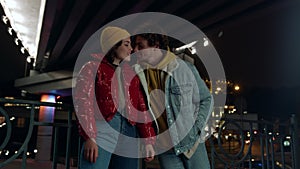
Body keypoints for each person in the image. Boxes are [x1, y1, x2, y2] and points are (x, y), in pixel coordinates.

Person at [74, 26, 156, 169]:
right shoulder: (92, 68)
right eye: (126, 44)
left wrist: (148, 141)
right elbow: (83, 102)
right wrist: (90, 136)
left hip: (129, 131)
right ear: (113, 45)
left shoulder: (131, 74)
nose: (131, 48)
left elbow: (141, 108)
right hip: (103, 128)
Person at [132, 29, 213, 169]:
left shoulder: (184, 68)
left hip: (191, 144)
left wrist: (197, 129)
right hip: (165, 148)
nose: (135, 49)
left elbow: (206, 99)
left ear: (155, 45)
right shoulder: (138, 74)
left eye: (140, 45)